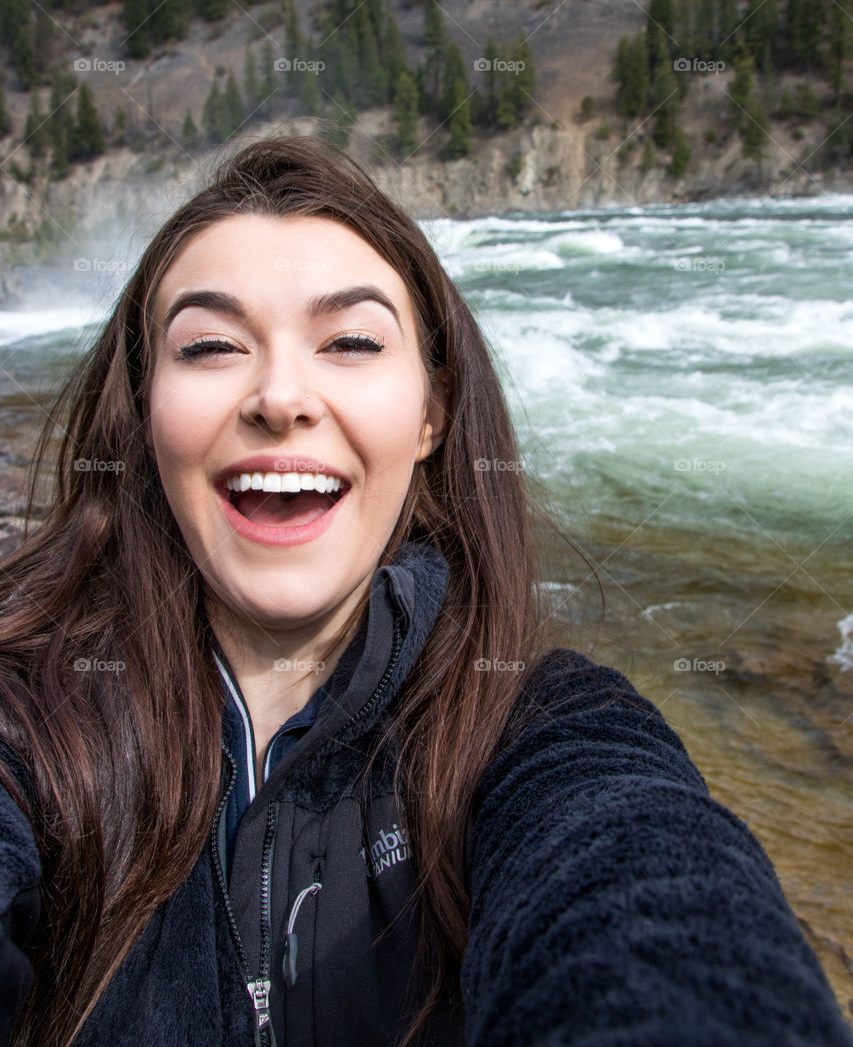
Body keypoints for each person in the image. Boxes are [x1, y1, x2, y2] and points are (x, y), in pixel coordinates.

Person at [0, 135, 850, 1047]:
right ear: (144, 406)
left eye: (352, 341)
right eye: (210, 346)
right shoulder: (29, 714)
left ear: (432, 414)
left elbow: (642, 877)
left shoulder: (534, 725)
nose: (280, 395)